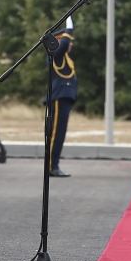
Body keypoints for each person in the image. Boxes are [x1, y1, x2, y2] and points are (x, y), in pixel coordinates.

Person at [48, 16, 76, 177]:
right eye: (68, 40)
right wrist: (69, 29)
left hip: (64, 98)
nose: (70, 44)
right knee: (56, 133)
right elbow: (64, 45)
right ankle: (52, 166)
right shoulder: (56, 54)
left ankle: (54, 165)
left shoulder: (64, 57)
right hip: (59, 97)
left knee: (60, 133)